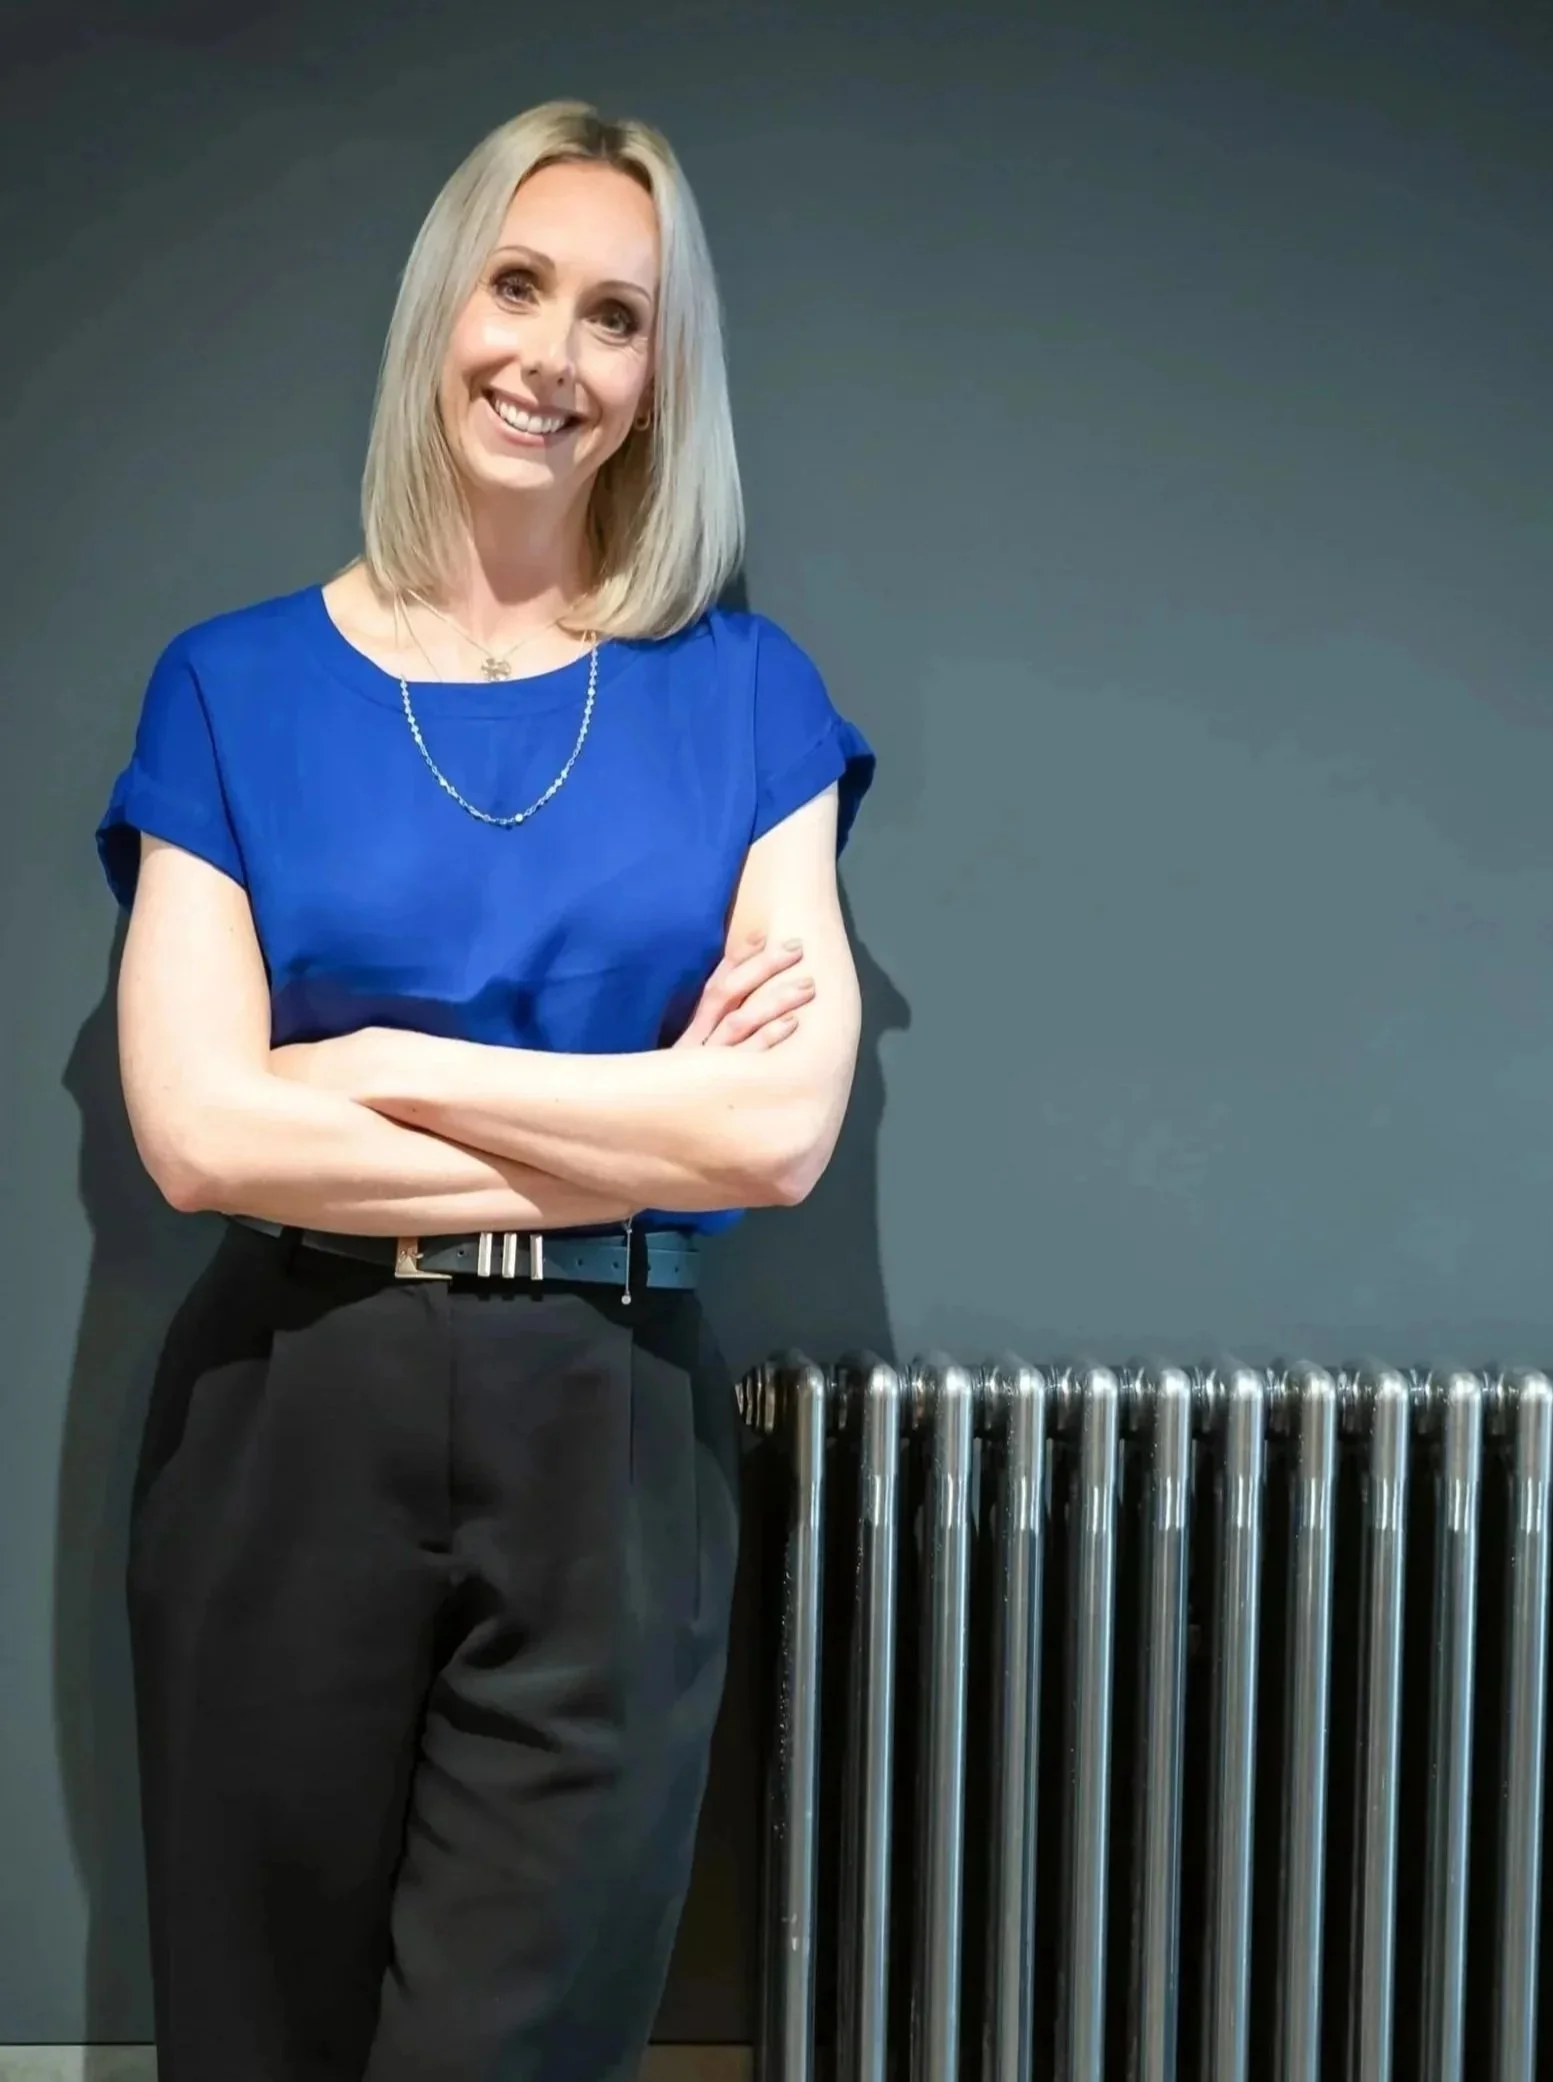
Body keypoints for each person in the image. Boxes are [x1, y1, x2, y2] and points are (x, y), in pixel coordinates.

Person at [92, 98, 875, 2082]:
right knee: (256, 2038)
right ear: (443, 304)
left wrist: (378, 1062)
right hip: (292, 1407)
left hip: (610, 1433)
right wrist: (632, 1113)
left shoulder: (747, 695)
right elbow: (200, 1131)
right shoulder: (233, 687)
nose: (555, 355)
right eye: (519, 286)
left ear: (657, 373)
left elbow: (772, 1135)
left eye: (616, 316)